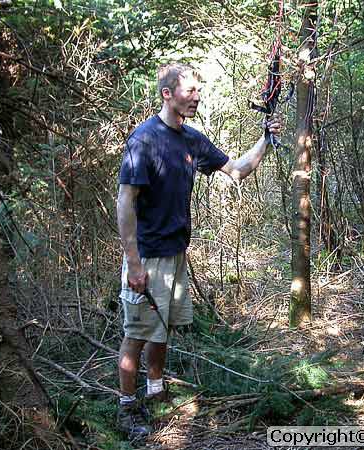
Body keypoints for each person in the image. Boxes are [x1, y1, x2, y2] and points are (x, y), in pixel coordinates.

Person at [115, 62, 282, 439]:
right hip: (148, 255)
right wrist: (133, 262)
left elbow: (237, 170)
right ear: (167, 94)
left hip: (176, 254)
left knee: (161, 331)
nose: (197, 97)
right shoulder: (144, 140)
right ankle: (126, 410)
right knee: (136, 333)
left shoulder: (191, 139)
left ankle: (156, 392)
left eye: (198, 90)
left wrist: (266, 140)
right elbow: (125, 203)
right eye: (190, 90)